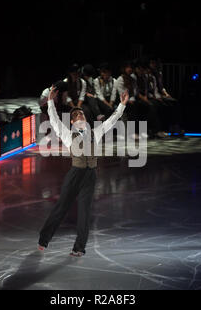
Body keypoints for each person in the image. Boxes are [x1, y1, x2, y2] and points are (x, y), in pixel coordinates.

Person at [38, 86, 129, 257]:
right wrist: (50, 101)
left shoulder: (95, 132)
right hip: (75, 174)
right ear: (72, 122)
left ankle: (79, 247)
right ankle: (44, 238)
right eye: (76, 115)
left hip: (90, 175)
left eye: (82, 114)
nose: (80, 116)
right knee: (61, 207)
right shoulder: (66, 134)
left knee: (85, 211)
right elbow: (54, 119)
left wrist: (122, 105)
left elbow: (112, 120)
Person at [148, 57, 184, 136]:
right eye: (152, 63)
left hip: (159, 95)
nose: (154, 65)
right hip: (153, 96)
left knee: (174, 102)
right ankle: (157, 130)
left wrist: (166, 93)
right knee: (160, 105)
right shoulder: (148, 75)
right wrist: (157, 97)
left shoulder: (159, 73)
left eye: (155, 63)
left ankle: (174, 126)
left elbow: (160, 87)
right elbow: (149, 90)